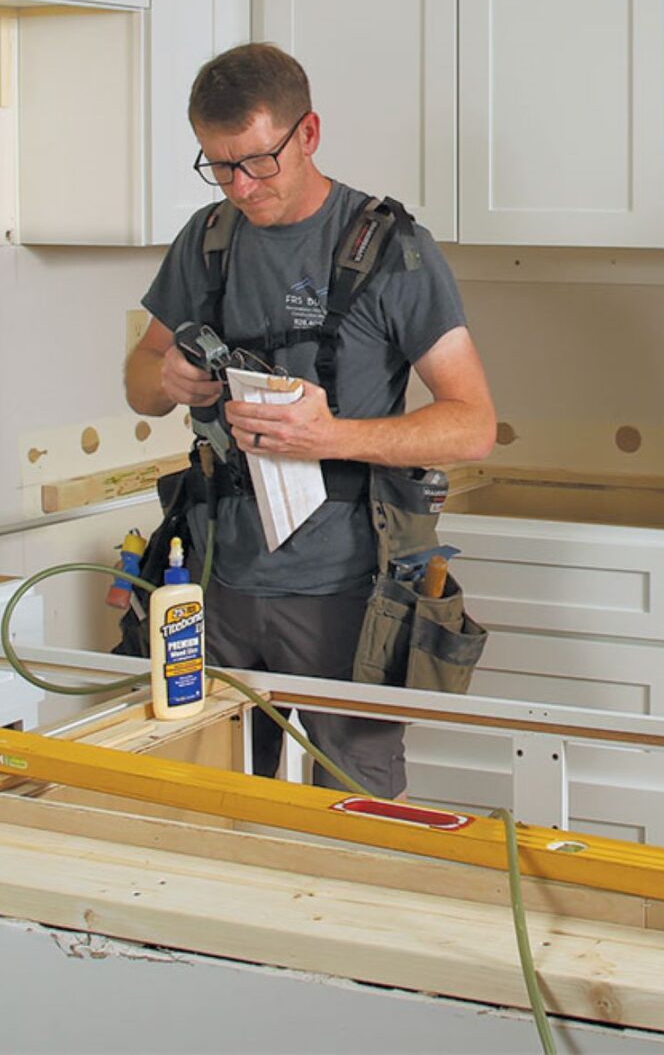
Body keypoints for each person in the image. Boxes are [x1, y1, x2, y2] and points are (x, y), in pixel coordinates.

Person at [123, 43, 495, 799]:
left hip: (346, 594)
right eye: (219, 166)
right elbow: (140, 380)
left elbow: (473, 424)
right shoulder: (207, 239)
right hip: (214, 580)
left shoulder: (392, 251)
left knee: (359, 819)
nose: (242, 186)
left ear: (309, 134)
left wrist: (332, 437)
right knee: (197, 802)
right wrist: (166, 378)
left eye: (260, 161)